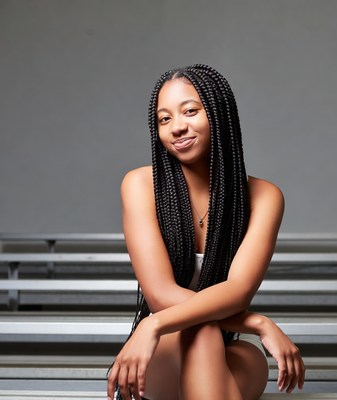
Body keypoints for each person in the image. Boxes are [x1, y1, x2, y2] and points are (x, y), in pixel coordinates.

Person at [107, 64, 305, 400]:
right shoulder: (140, 185)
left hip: (226, 349)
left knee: (247, 358)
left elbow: (238, 290)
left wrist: (243, 324)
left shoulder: (264, 196)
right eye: (164, 119)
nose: (177, 127)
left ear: (218, 113)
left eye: (190, 111)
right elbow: (159, 295)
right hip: (159, 349)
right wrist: (258, 323)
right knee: (203, 331)